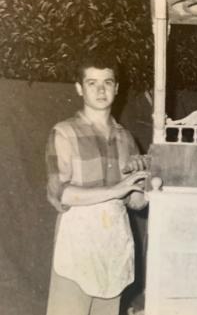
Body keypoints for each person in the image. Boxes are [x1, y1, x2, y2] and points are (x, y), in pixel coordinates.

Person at [45, 53, 150, 315]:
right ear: (80, 89)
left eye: (107, 82)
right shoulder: (64, 132)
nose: (101, 90)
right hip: (77, 245)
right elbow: (62, 194)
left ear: (116, 88)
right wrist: (117, 190)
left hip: (113, 245)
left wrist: (152, 184)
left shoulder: (126, 138)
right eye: (92, 83)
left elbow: (135, 201)